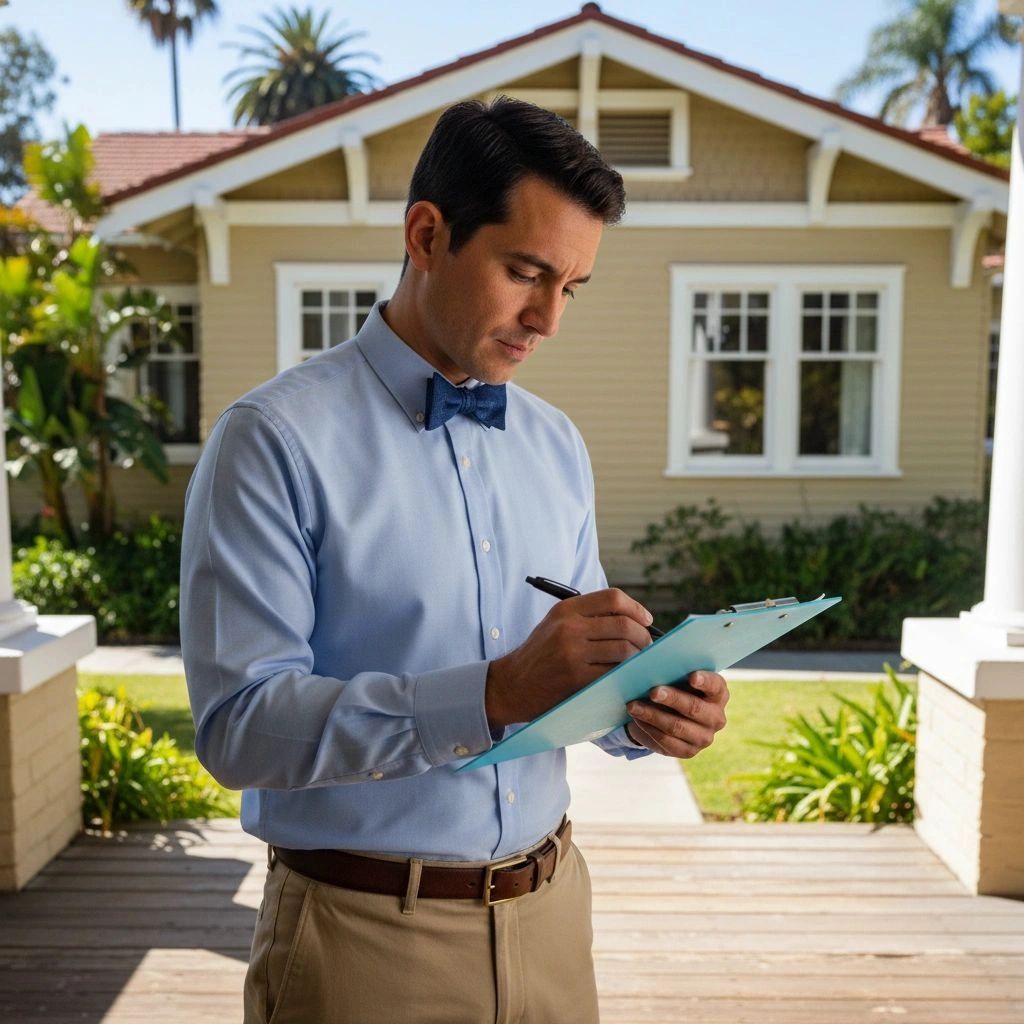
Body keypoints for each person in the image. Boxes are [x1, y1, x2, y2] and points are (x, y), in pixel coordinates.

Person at [179, 95, 729, 1024]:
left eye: (573, 287)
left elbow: (574, 674)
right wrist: (492, 694)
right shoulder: (272, 441)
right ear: (427, 234)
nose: (549, 318)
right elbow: (238, 728)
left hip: (555, 920)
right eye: (526, 271)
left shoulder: (555, 444)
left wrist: (643, 711)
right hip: (359, 943)